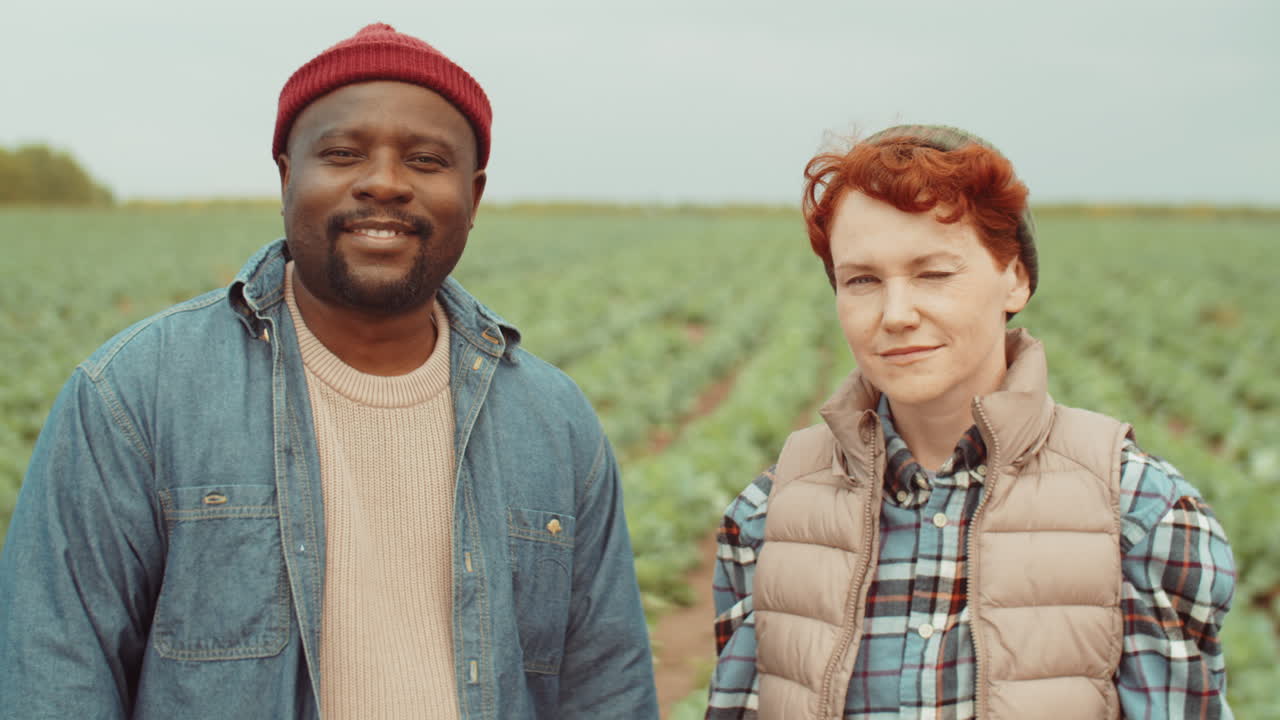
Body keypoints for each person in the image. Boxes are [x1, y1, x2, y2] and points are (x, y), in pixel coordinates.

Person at [0, 23, 657, 719]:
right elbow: (54, 675)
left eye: (427, 161)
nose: (383, 183)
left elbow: (606, 686)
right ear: (287, 175)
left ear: (474, 193)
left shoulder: (552, 419)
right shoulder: (136, 394)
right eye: (342, 154)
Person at [706, 125, 1235, 719]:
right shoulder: (766, 517)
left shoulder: (1142, 516)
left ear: (1016, 278)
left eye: (933, 273)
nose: (896, 314)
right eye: (862, 280)